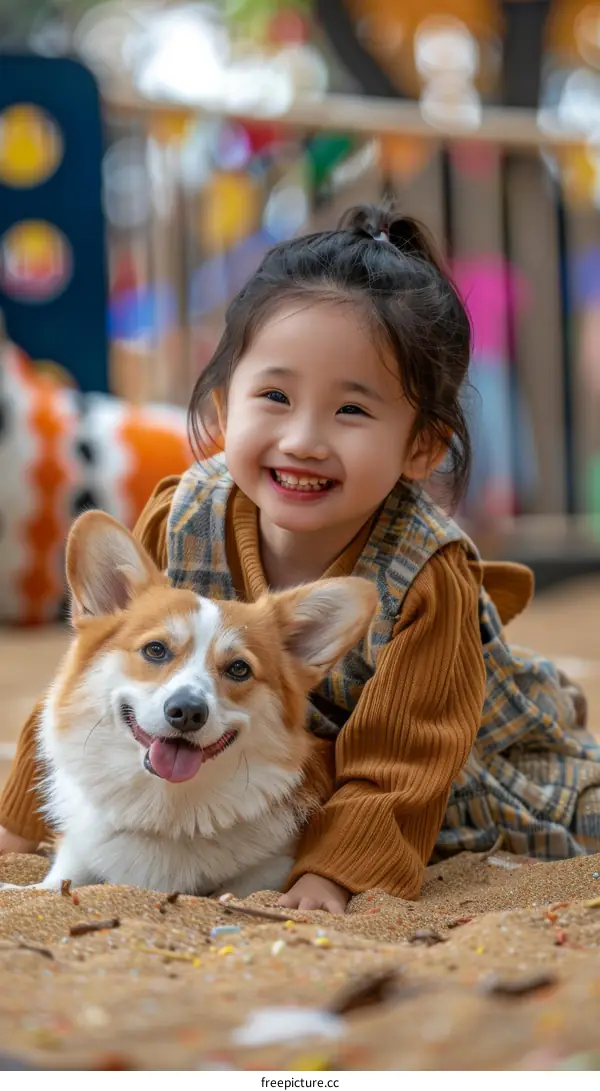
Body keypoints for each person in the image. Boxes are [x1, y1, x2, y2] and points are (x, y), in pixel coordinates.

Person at [1, 205, 599, 914]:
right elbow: (107, 669)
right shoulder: (187, 513)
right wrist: (18, 820)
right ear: (226, 409)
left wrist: (332, 873)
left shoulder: (425, 574)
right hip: (286, 765)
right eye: (275, 397)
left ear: (421, 447)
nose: (304, 440)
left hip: (461, 767)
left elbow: (406, 758)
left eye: (351, 410)